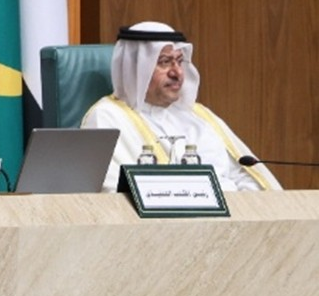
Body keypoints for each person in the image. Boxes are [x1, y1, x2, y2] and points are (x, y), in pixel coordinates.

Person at [81, 21, 281, 192]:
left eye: (179, 61)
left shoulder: (199, 117)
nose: (177, 73)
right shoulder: (108, 118)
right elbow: (112, 193)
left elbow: (246, 178)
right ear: (136, 69)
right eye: (165, 62)